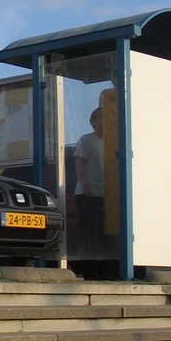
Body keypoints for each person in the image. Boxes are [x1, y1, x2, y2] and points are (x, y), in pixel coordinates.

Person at [74, 106, 105, 278]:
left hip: (108, 195)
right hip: (89, 195)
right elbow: (79, 163)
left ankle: (106, 270)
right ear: (93, 121)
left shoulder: (115, 141)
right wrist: (86, 187)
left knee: (105, 233)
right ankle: (88, 269)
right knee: (90, 232)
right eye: (101, 118)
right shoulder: (86, 140)